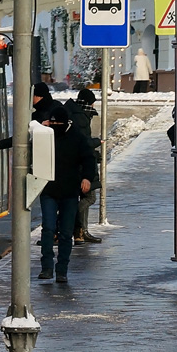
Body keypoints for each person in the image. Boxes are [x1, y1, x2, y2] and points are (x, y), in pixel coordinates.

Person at [37, 106, 98, 283]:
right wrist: (41, 127)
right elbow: (24, 140)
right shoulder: (45, 135)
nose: (55, 126)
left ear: (66, 123)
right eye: (52, 122)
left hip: (70, 192)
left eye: (58, 123)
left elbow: (89, 158)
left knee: (65, 232)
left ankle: (62, 269)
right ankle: (47, 268)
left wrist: (87, 178)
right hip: (48, 190)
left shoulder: (77, 137)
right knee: (48, 229)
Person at [64, 88, 103, 244]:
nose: (93, 107)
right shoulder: (80, 118)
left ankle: (81, 231)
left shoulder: (73, 112)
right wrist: (96, 142)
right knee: (89, 197)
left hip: (73, 162)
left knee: (84, 196)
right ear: (88, 103)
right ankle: (70, 221)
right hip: (81, 162)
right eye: (92, 103)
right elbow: (83, 142)